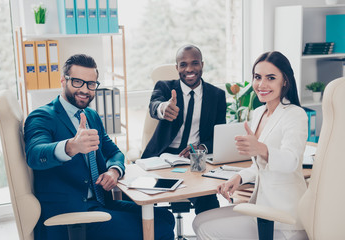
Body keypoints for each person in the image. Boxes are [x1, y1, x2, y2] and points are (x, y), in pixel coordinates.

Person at [24, 54, 175, 240]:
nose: (85, 90)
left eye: (91, 84)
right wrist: (71, 146)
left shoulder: (91, 115)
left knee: (164, 217)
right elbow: (35, 154)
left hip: (100, 203)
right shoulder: (42, 116)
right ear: (63, 81)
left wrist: (114, 171)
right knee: (160, 229)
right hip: (72, 215)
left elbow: (114, 152)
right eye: (78, 82)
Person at [192, 51, 309, 240]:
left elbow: (291, 162)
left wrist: (260, 148)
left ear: (285, 80)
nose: (262, 85)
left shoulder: (295, 114)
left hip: (284, 217)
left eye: (271, 78)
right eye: (257, 77)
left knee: (207, 230)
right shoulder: (259, 112)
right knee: (198, 221)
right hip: (261, 208)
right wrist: (238, 177)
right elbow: (259, 166)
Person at [142, 44, 227, 214]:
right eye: (183, 64)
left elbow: (219, 135)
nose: (189, 69)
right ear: (177, 67)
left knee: (209, 202)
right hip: (164, 157)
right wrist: (163, 108)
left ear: (202, 64)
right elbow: (154, 105)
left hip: (195, 158)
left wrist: (202, 147)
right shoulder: (165, 87)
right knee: (139, 197)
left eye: (194, 63)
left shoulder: (217, 95)